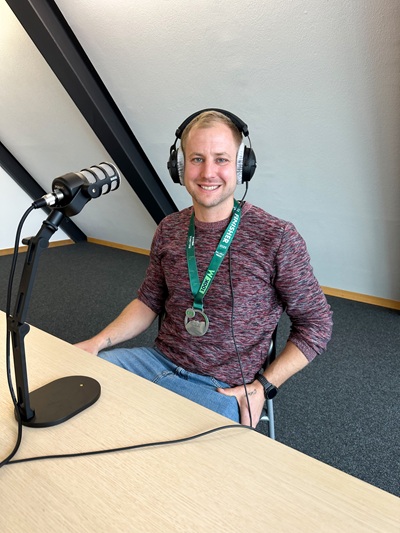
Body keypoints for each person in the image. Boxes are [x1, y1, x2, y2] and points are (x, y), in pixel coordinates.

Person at [76, 109, 333, 428]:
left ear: (242, 166)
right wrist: (98, 342)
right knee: (84, 384)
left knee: (181, 453)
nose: (208, 172)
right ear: (180, 167)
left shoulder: (277, 238)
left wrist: (263, 387)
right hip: (154, 361)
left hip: (221, 388)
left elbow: (316, 324)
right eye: (197, 159)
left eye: (221, 159)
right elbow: (148, 302)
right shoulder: (169, 229)